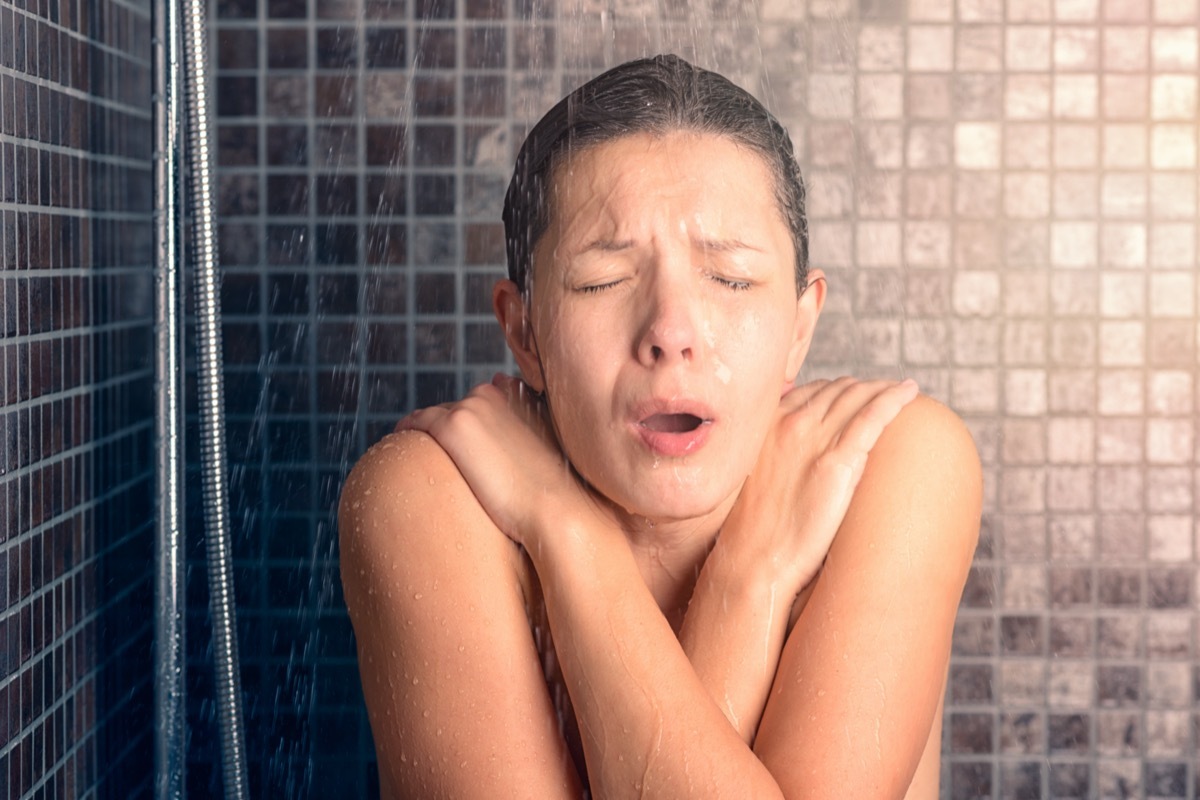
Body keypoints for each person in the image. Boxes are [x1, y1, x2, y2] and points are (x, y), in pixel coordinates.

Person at [339, 54, 981, 799]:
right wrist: (573, 533)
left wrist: (753, 572)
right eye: (601, 281)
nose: (672, 330)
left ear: (800, 328)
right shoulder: (429, 497)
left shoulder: (886, 463)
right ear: (525, 333)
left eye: (732, 278)